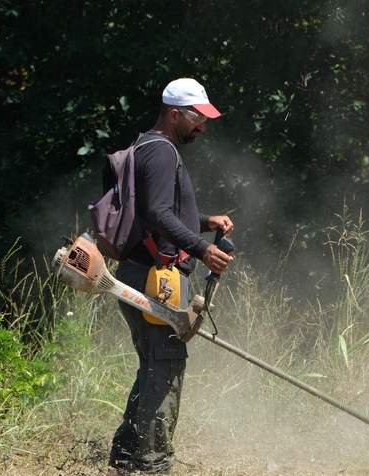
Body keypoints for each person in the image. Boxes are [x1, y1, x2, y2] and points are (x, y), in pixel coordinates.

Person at [108, 78, 234, 474]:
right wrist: (203, 247)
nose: (203, 127)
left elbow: (156, 212)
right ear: (174, 113)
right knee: (165, 362)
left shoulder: (145, 144)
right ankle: (151, 461)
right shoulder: (163, 153)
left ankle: (127, 452)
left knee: (153, 363)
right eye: (198, 119)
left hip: (137, 271)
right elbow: (160, 216)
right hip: (153, 276)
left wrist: (203, 220)